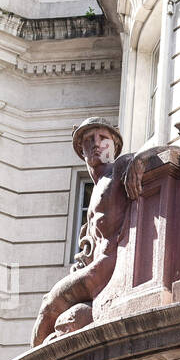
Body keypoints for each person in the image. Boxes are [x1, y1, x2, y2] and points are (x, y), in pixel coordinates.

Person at [30, 119, 149, 347]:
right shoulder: (96, 188)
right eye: (89, 140)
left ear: (114, 146)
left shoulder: (120, 167)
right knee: (62, 315)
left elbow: (169, 151)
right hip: (96, 268)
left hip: (104, 268)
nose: (97, 144)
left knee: (48, 305)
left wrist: (142, 159)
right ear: (81, 150)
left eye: (103, 138)